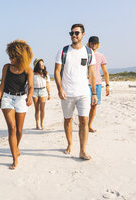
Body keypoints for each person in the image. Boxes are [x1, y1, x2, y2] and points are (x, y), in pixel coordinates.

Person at [54, 24, 98, 160]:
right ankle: (69, 143)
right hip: (67, 92)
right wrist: (60, 88)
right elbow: (56, 71)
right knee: (68, 119)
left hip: (84, 92)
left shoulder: (89, 52)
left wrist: (94, 93)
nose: (73, 35)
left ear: (83, 34)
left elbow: (92, 74)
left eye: (76, 33)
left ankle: (83, 150)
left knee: (84, 120)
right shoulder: (63, 51)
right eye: (71, 33)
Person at [0, 39, 34, 169]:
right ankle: (14, 159)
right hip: (7, 98)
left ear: (20, 56)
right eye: (9, 55)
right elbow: (2, 85)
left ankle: (16, 146)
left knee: (20, 131)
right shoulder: (6, 67)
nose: (10, 58)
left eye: (12, 56)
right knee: (12, 128)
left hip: (21, 99)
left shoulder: (27, 70)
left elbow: (31, 86)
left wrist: (30, 97)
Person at [87, 36, 110, 132]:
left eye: (95, 43)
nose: (93, 45)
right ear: (89, 43)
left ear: (98, 44)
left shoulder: (101, 56)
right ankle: (84, 124)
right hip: (86, 83)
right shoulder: (85, 54)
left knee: (94, 105)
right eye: (92, 43)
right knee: (85, 105)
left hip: (98, 83)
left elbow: (105, 71)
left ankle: (89, 125)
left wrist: (107, 85)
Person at [32, 58, 51, 130]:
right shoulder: (33, 74)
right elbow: (30, 85)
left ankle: (42, 124)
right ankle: (37, 125)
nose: (43, 65)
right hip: (35, 92)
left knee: (42, 109)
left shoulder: (46, 74)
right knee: (37, 109)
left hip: (43, 91)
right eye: (41, 64)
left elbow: (47, 84)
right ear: (37, 65)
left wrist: (49, 94)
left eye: (43, 63)